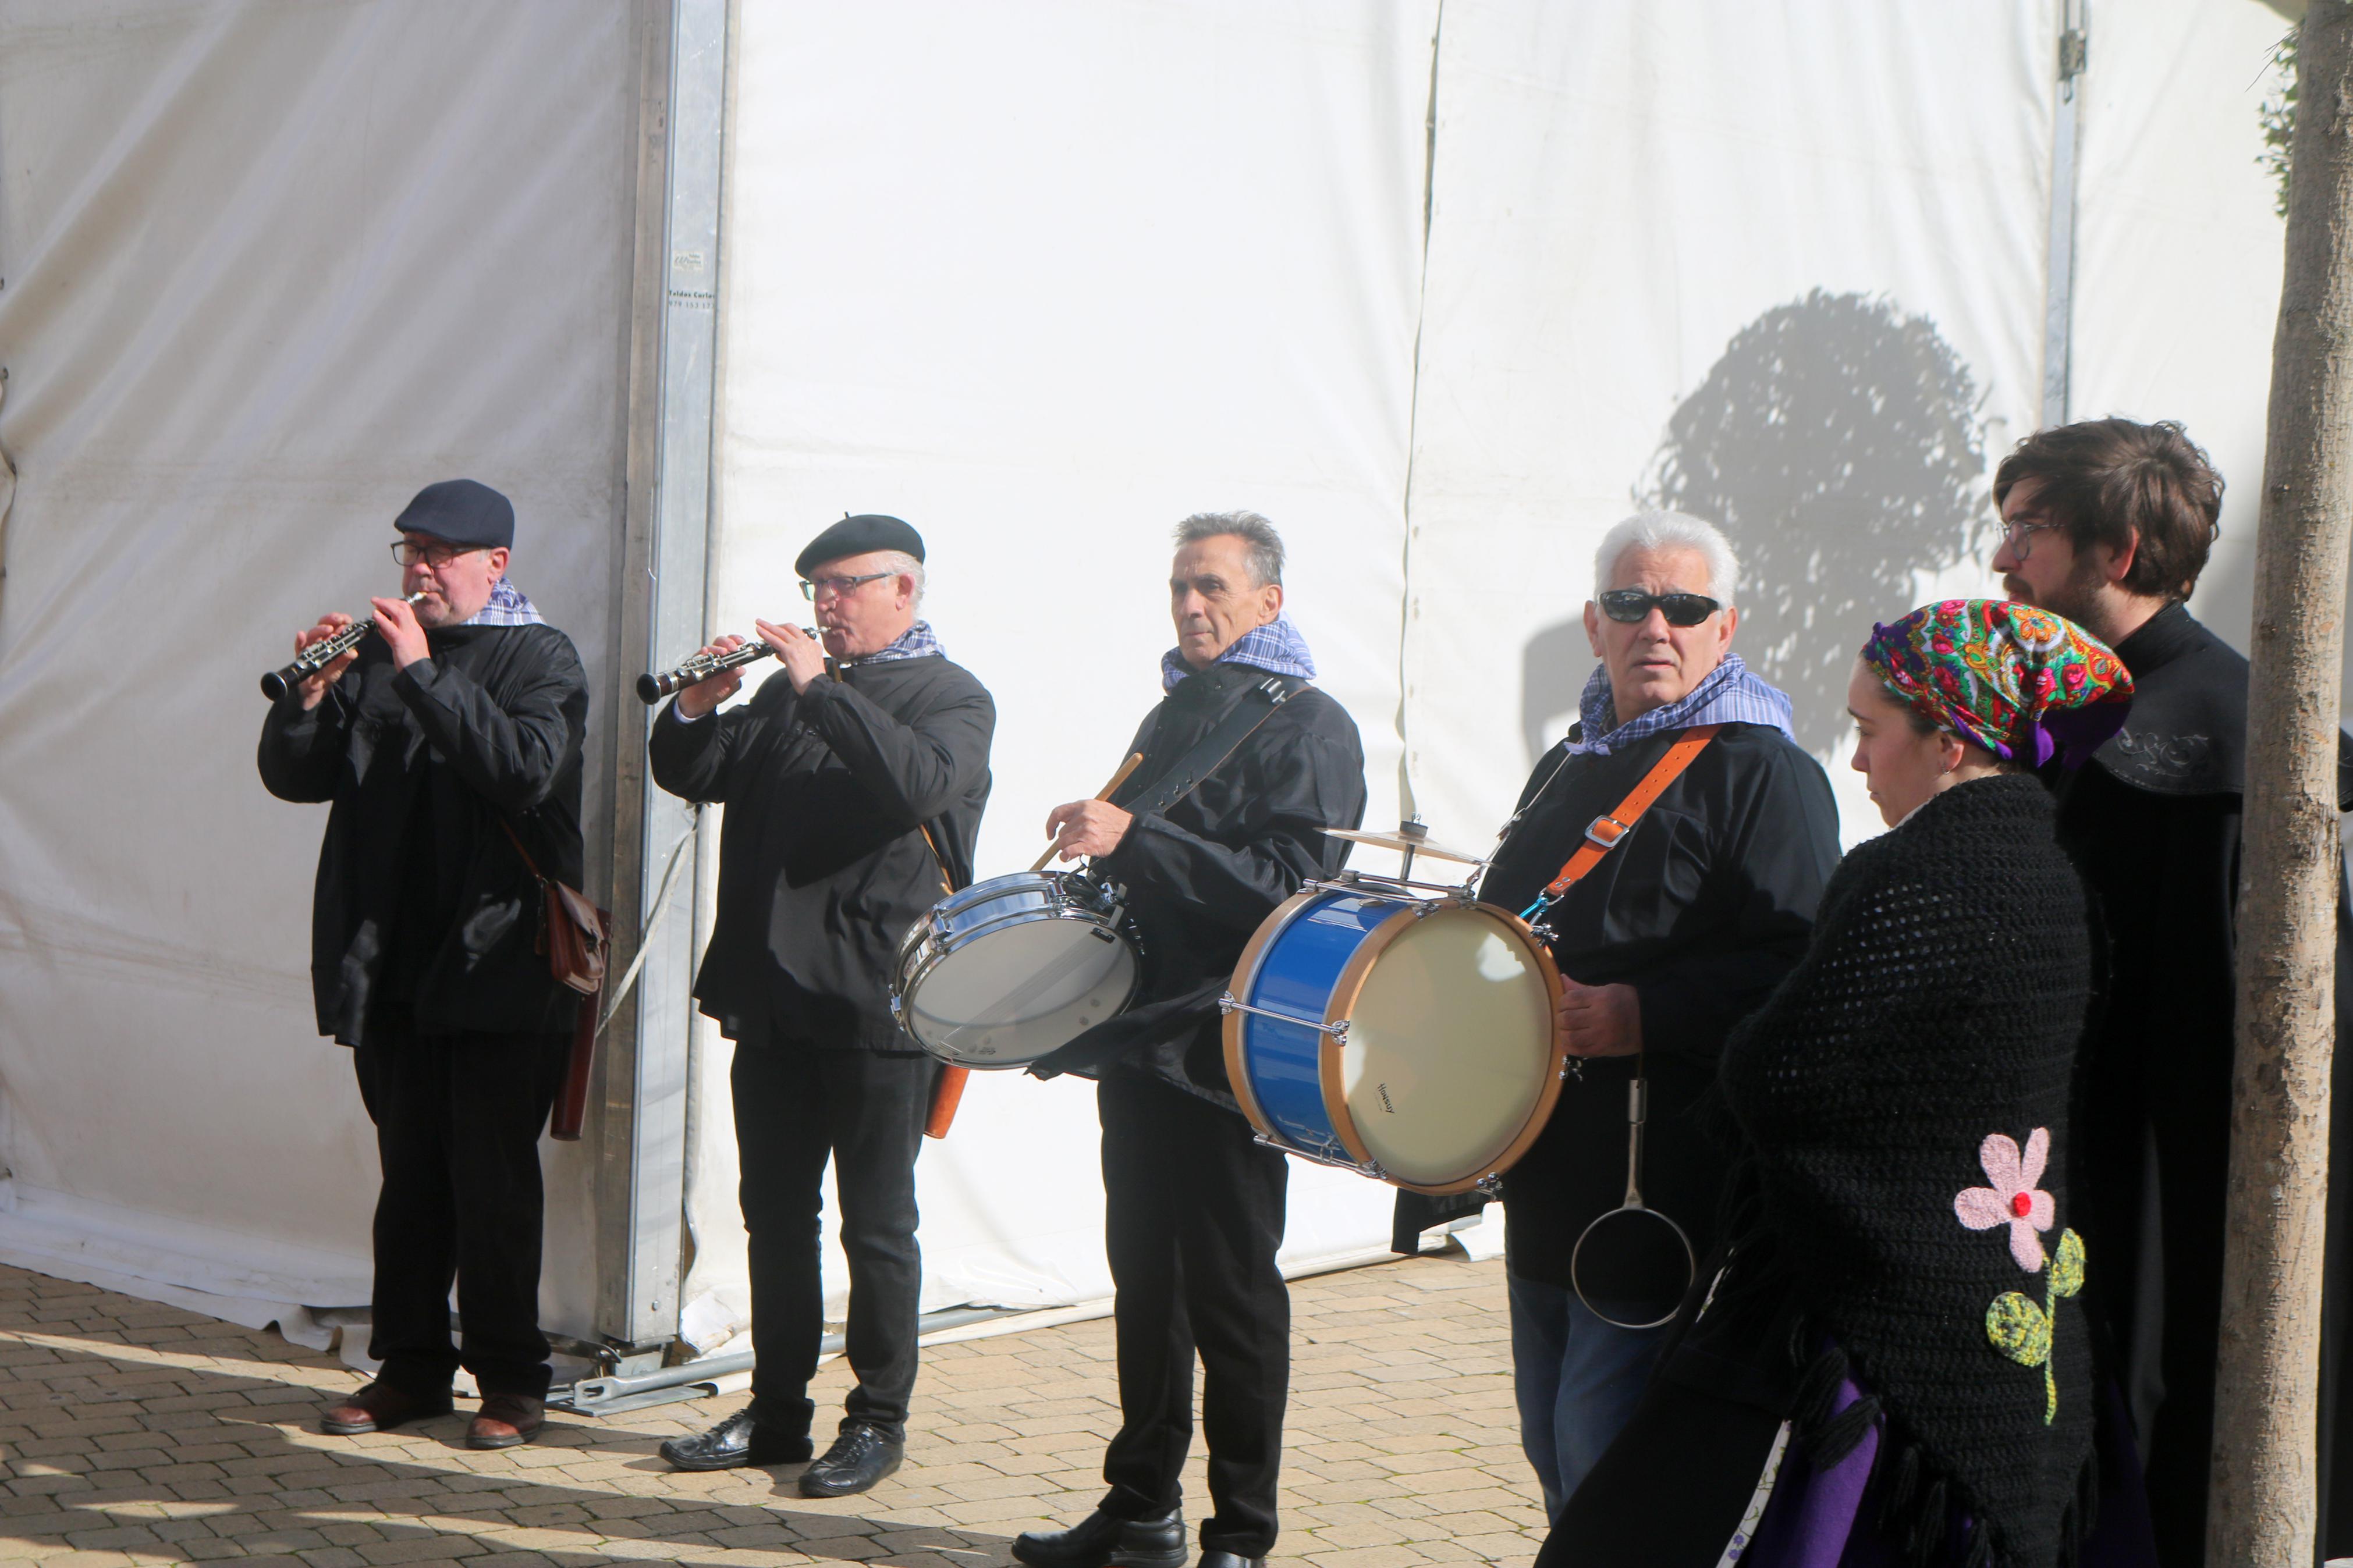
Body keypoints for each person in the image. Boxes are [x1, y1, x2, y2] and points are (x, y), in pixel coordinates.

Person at [1538, 599, 2143, 1568]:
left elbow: (1778, 1075)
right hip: (2012, 1299)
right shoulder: (2054, 873)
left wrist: (1741, 1071)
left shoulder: (1910, 876)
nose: (1856, 760)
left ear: (1949, 742)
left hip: (1880, 1312)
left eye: (1870, 731)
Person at [1989, 418, 2353, 1562]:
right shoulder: (2095, 714)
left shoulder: (2211, 743)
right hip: (2083, 1183)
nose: (2002, 560)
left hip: (2171, 1213)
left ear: (2125, 546)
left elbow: (2227, 1042)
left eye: (2028, 532)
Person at [1013, 511, 1366, 1568]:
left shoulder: (1309, 724)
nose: (1191, 605)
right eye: (1179, 587)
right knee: (1146, 1284)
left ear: (1270, 600)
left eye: (1212, 586)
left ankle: (1242, 1534)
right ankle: (1141, 1508)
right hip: (1141, 1037)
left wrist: (1141, 837)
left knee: (1232, 1292)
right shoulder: (1177, 709)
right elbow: (1144, 865)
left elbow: (1293, 892)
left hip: (1231, 1048)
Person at [1475, 510, 1841, 1523]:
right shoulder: (1571, 760)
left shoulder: (1765, 771)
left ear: (1727, 629)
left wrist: (1644, 1010)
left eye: (1686, 607)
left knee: (1605, 1440)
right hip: (1546, 1154)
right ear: (1595, 624)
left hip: (1663, 1170)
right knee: (1549, 1433)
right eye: (1633, 604)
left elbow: (1802, 966)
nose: (1657, 628)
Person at [647, 514, 993, 1497]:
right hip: (773, 995)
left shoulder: (954, 697)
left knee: (877, 1223)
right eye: (816, 589)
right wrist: (697, 709)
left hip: (879, 1007)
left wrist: (814, 686)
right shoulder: (784, 692)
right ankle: (777, 1408)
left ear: (905, 591)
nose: (825, 606)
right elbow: (698, 775)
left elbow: (913, 785)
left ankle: (878, 1417)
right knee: (775, 1216)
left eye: (844, 586)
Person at [258, 479, 588, 1451]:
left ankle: (514, 1380)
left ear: (497, 563)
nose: (419, 568)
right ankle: (409, 1371)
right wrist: (312, 698)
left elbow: (524, 770)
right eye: (409, 549)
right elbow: (297, 779)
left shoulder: (544, 657)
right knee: (409, 1182)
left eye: (442, 553)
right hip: (394, 962)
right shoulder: (372, 657)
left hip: (498, 967)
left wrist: (419, 670)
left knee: (491, 1184)